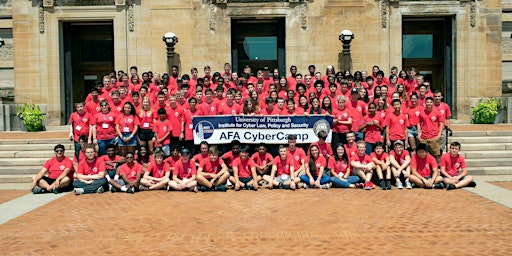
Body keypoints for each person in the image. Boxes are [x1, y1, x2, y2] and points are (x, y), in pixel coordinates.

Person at [417, 97, 445, 161]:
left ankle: (436, 169)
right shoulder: (422, 113)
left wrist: (438, 135)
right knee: (423, 155)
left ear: (433, 103)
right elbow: (418, 124)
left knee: (436, 155)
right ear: (425, 103)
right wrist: (419, 135)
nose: (429, 103)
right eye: (427, 102)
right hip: (424, 137)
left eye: (430, 102)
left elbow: (441, 124)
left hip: (434, 137)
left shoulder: (437, 113)